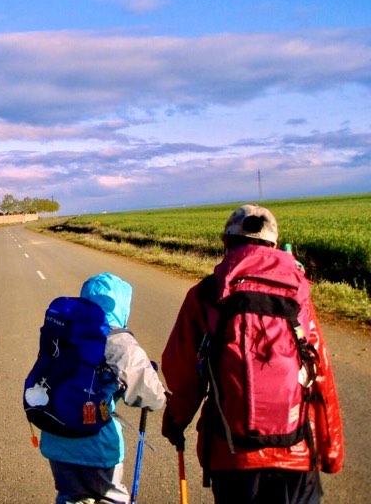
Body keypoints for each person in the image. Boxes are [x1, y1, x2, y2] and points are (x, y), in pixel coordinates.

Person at [161, 204, 344, 503]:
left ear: (226, 242)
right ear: (273, 244)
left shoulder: (206, 294)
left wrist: (175, 422)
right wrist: (331, 451)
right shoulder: (298, 294)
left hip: (232, 454)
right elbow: (320, 373)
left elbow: (184, 375)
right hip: (296, 452)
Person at [39, 273, 167, 504]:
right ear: (122, 304)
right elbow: (152, 398)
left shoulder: (63, 330)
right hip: (96, 446)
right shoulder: (119, 341)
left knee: (70, 497)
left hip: (55, 438)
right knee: (110, 498)